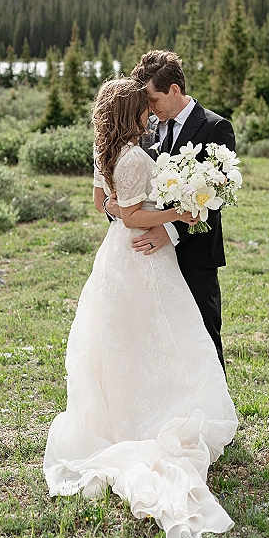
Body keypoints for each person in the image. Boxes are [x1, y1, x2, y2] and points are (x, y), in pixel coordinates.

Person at [43, 78, 237, 538]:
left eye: (153, 104)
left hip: (124, 255)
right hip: (141, 254)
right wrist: (175, 215)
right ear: (133, 111)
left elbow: (105, 205)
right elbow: (130, 215)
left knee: (133, 338)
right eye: (143, 107)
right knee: (153, 334)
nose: (151, 114)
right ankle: (152, 417)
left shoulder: (111, 149)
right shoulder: (134, 153)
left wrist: (135, 208)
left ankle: (136, 411)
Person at [106, 51, 234, 371]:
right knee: (156, 340)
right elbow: (129, 182)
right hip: (147, 259)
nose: (149, 109)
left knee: (201, 335)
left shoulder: (215, 128)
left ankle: (212, 414)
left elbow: (214, 199)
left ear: (174, 90)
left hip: (194, 253)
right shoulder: (144, 129)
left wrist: (170, 230)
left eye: (153, 99)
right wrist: (116, 209)